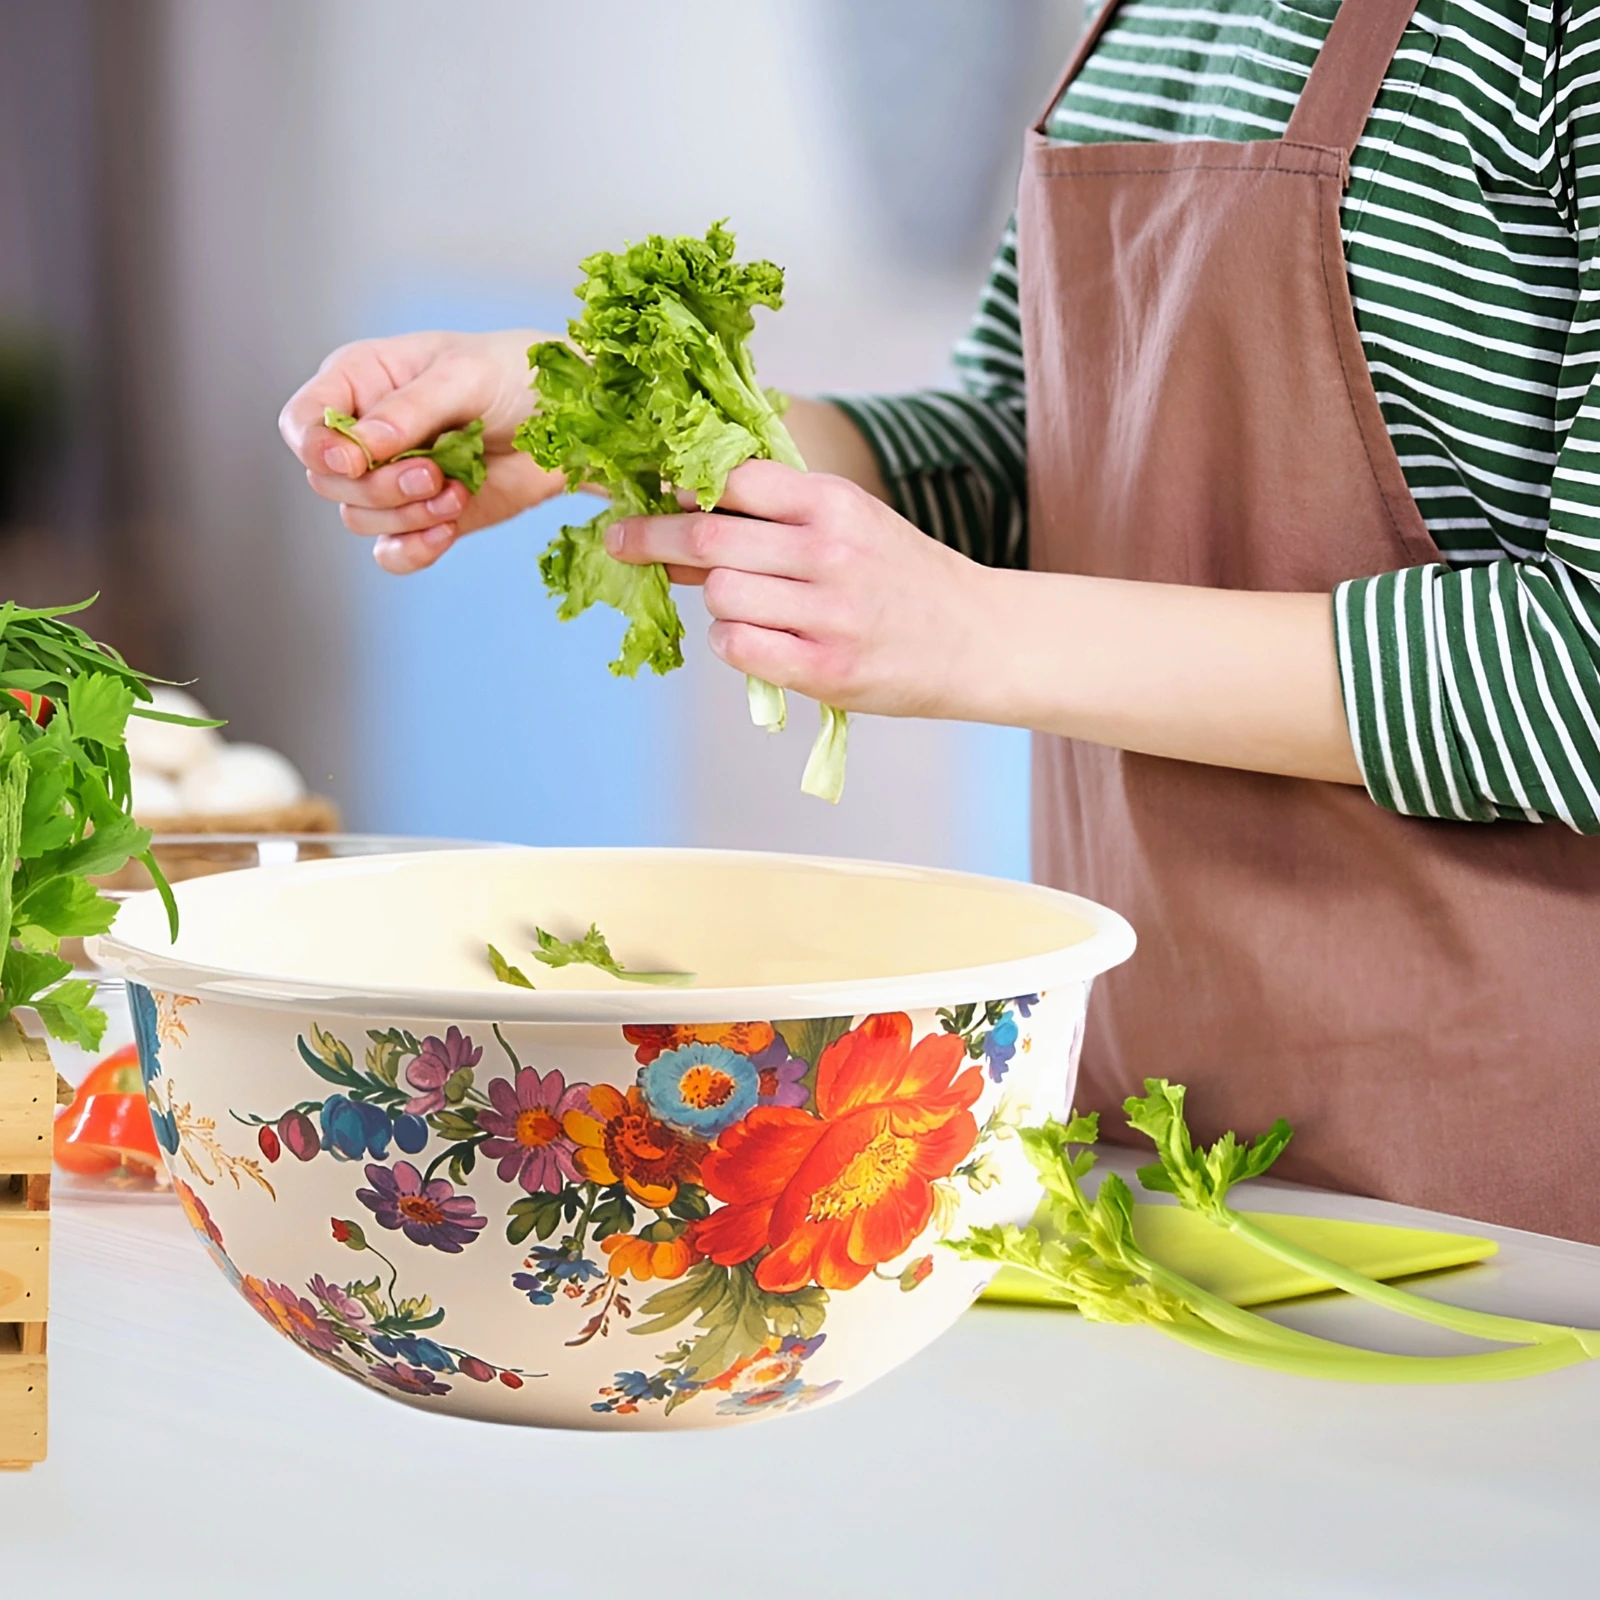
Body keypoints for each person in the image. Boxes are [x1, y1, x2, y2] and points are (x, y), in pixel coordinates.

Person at [281, 0, 1600, 1243]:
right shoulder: (1154, 17)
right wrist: (627, 416)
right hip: (1147, 1129)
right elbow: (1037, 461)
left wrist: (974, 634)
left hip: (1508, 1207)